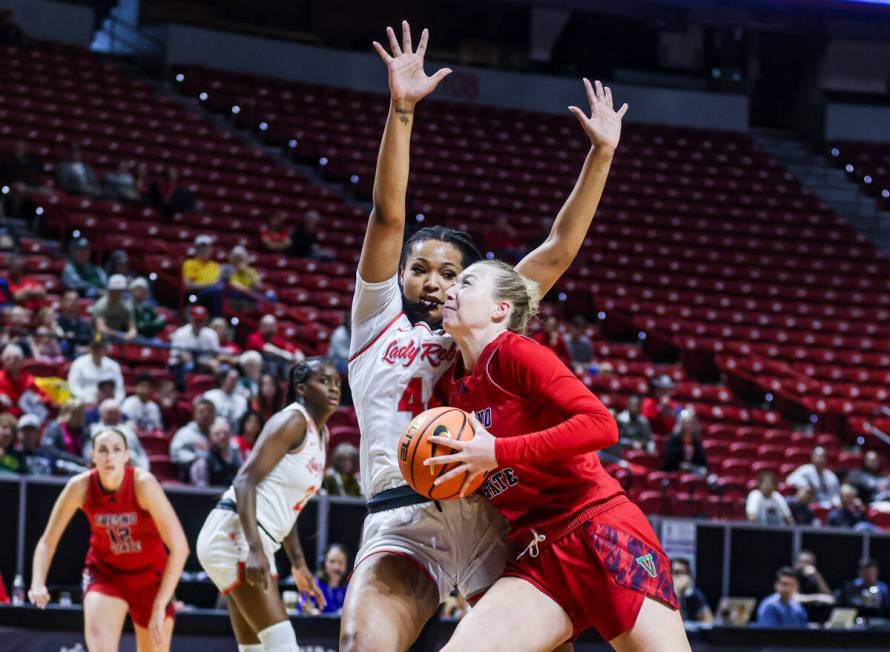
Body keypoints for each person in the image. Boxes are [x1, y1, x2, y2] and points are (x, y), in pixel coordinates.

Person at [340, 21, 626, 652]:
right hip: (404, 513)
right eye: (421, 269)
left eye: (452, 273)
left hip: (499, 509)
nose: (436, 282)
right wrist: (402, 109)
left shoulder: (480, 329)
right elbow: (389, 215)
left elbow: (555, 251)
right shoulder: (375, 322)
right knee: (364, 643)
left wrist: (600, 155)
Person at [429, 259, 686, 650]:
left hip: (598, 529)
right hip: (537, 553)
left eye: (467, 282)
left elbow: (602, 424)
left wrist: (498, 451)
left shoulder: (513, 354)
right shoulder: (448, 388)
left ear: (502, 309)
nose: (450, 290)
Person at [197, 358, 339, 652]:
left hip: (258, 540)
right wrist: (255, 548)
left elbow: (289, 508)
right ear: (301, 388)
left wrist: (299, 565)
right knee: (283, 645)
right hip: (237, 536)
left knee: (255, 649)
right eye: (323, 381)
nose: (333, 388)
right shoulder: (293, 420)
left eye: (336, 382)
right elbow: (244, 481)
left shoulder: (321, 435)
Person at [28, 428, 189, 651]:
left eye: (116, 450)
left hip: (151, 579)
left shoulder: (143, 484)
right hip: (106, 574)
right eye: (102, 450)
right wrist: (37, 582)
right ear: (93, 455)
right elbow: (47, 541)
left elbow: (180, 547)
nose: (109, 456)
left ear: (127, 455)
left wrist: (161, 604)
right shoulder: (80, 486)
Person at [84, 400, 150, 471]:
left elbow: (140, 451)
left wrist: (145, 468)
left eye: (115, 412)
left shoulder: (128, 430)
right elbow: (88, 454)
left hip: (134, 469)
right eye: (110, 412)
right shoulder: (93, 430)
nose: (113, 415)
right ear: (101, 414)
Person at [169, 305, 220, 384]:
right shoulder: (181, 332)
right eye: (196, 320)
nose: (198, 323)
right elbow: (183, 357)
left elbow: (216, 355)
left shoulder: (211, 334)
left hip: (204, 367)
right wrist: (204, 363)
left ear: (206, 319)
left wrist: (214, 363)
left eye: (201, 320)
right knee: (189, 366)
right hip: (181, 367)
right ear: (190, 318)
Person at [68, 336, 125, 404]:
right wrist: (90, 400)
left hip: (108, 404)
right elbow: (74, 387)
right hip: (84, 402)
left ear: (105, 349)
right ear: (89, 348)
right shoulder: (78, 363)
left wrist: (115, 402)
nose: (97, 351)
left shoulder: (114, 366)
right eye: (94, 348)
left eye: (100, 348)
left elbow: (119, 389)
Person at [189, 417, 243, 487]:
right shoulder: (203, 461)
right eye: (217, 434)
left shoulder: (235, 457)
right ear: (210, 437)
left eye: (226, 433)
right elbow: (201, 492)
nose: (222, 437)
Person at [299, 543, 351, 615]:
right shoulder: (314, 585)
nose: (336, 567)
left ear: (346, 565)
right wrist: (311, 610)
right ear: (324, 563)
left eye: (340, 562)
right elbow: (303, 606)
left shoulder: (349, 589)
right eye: (332, 561)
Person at [169, 399, 217, 476]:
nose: (206, 415)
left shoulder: (218, 433)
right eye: (201, 411)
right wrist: (195, 459)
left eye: (210, 412)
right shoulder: (185, 433)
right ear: (194, 415)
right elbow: (176, 452)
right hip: (191, 474)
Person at [0, 343, 49, 417]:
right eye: (8, 358)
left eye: (16, 359)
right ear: (3, 360)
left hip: (26, 417)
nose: (12, 362)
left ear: (21, 361)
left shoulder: (28, 379)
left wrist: (39, 399)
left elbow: (44, 395)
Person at [41, 399, 90, 470]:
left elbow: (88, 450)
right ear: (65, 412)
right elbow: (51, 450)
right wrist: (78, 460)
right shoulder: (54, 428)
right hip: (59, 470)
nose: (79, 416)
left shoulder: (85, 431)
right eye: (75, 413)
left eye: (81, 413)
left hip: (82, 470)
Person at [182, 235, 222, 316]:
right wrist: (211, 284)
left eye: (207, 248)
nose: (204, 250)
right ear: (196, 249)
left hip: (216, 294)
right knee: (218, 289)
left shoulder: (216, 266)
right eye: (201, 248)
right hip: (198, 295)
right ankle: (217, 318)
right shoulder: (190, 264)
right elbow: (188, 285)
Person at [92, 274, 137, 341]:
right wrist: (119, 335)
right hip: (98, 335)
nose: (117, 293)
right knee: (98, 339)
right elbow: (101, 328)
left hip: (119, 338)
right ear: (109, 290)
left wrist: (131, 334)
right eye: (114, 290)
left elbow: (132, 328)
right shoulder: (101, 305)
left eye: (120, 290)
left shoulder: (127, 306)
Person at [661, 410, 707, 474]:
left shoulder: (696, 442)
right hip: (674, 472)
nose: (690, 426)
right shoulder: (674, 440)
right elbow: (670, 461)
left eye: (692, 423)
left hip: (692, 473)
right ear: (681, 424)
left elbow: (702, 461)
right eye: (687, 423)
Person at [793, 550, 835, 621]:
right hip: (797, 614)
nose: (805, 565)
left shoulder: (813, 576)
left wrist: (817, 576)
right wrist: (817, 597)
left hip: (814, 614)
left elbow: (829, 596)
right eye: (803, 562)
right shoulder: (794, 575)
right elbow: (794, 597)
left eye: (808, 563)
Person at [671, 558, 713, 623]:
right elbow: (676, 622)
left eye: (684, 573)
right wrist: (677, 593)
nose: (680, 576)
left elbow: (709, 620)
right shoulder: (664, 595)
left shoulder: (695, 594)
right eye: (676, 572)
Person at [57, 289, 93, 358]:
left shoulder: (84, 324)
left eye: (75, 300)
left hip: (83, 359)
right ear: (62, 302)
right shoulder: (56, 322)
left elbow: (93, 342)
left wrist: (86, 349)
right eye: (69, 300)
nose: (72, 303)